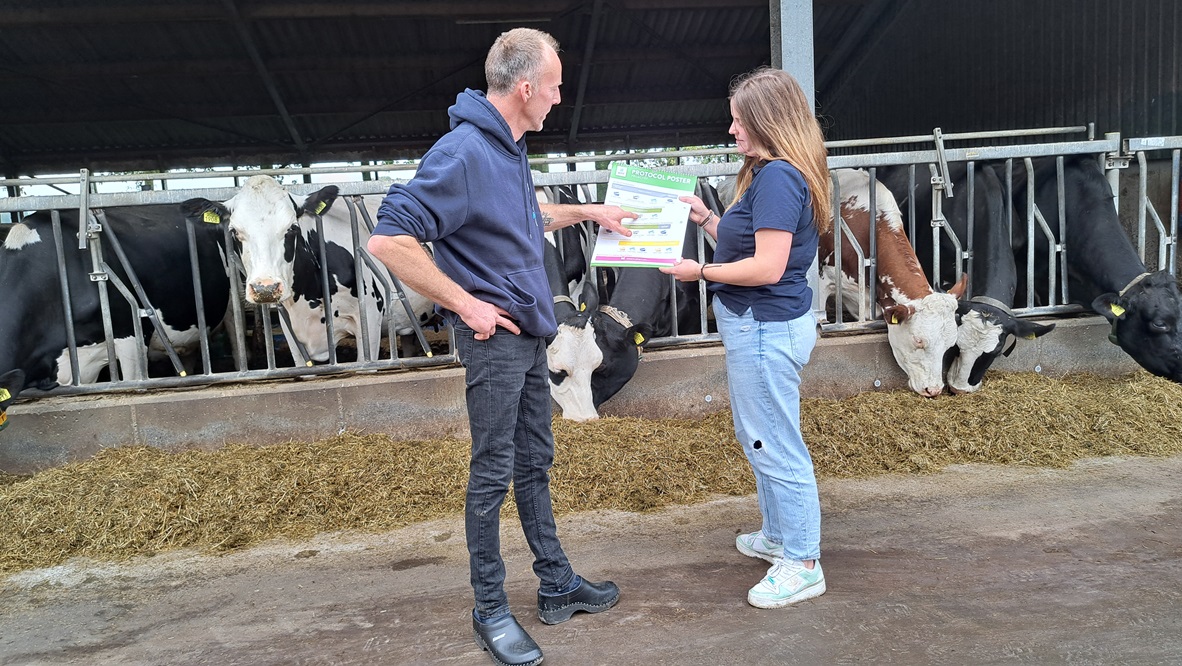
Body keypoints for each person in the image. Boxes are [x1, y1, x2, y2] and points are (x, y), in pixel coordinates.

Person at [367, 27, 636, 666]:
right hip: (494, 343)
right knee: (492, 473)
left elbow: (526, 216)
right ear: (524, 88)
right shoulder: (463, 152)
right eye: (554, 87)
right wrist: (466, 304)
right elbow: (388, 238)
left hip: (529, 340)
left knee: (533, 463)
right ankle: (490, 607)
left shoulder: (507, 146)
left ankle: (556, 584)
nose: (558, 98)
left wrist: (591, 215)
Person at [660, 67, 832, 609]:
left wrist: (699, 273)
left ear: (767, 121)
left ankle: (803, 562)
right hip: (761, 324)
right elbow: (749, 245)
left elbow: (766, 268)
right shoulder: (767, 174)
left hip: (765, 326)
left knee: (776, 442)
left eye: (739, 120)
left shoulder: (780, 177)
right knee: (758, 434)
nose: (731, 129)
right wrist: (708, 218)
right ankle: (779, 537)